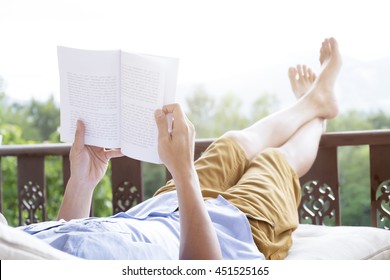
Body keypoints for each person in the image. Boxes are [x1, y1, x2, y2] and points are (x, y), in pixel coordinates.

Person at [16, 37, 341, 260]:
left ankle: (311, 103)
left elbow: (53, 253)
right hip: (236, 233)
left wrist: (82, 183)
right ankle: (318, 111)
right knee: (275, 161)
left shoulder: (14, 245)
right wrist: (184, 172)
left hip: (163, 209)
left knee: (232, 144)